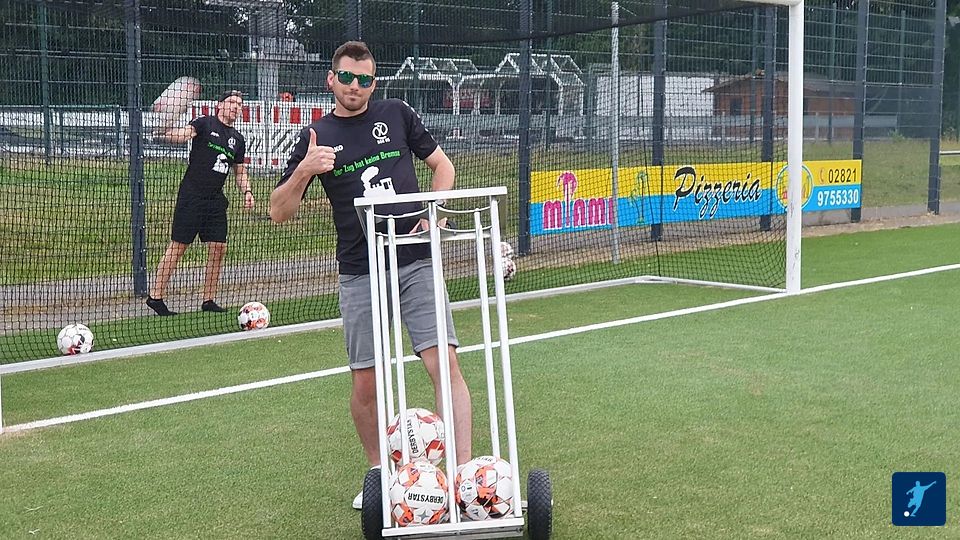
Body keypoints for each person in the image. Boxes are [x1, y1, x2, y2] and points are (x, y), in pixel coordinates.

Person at [269, 41, 472, 510]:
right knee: (366, 381)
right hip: (361, 270)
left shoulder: (397, 113)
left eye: (364, 79)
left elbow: (443, 166)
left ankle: (460, 476)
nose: (354, 86)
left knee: (444, 364)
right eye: (346, 77)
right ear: (331, 80)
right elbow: (279, 213)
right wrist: (304, 171)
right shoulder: (315, 135)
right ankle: (382, 476)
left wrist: (434, 212)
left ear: (374, 84)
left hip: (416, 258)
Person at [146, 90, 254, 316]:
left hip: (215, 199)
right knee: (179, 245)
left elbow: (240, 171)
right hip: (192, 195)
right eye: (232, 102)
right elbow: (183, 135)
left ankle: (209, 299)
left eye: (239, 104)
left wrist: (247, 192)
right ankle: (155, 297)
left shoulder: (238, 139)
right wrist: (165, 133)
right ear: (219, 105)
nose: (236, 107)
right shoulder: (204, 123)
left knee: (219, 247)